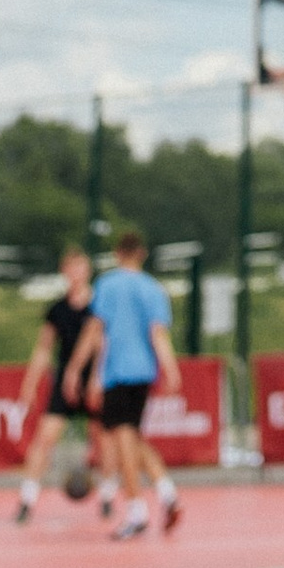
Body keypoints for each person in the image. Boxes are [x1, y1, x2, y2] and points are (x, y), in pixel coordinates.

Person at [78, 226, 185, 542]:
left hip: (118, 373)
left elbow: (96, 331)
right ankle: (167, 492)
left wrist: (77, 370)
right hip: (142, 373)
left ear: (116, 253)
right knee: (133, 438)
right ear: (142, 254)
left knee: (123, 443)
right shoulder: (153, 289)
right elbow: (158, 334)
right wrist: (171, 369)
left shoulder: (107, 285)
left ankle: (137, 512)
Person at [13, 242, 100, 522]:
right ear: (64, 271)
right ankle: (27, 498)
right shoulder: (58, 310)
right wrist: (29, 384)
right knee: (45, 437)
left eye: (81, 268)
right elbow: (43, 349)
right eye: (72, 268)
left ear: (87, 271)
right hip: (65, 379)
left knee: (106, 439)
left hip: (95, 377)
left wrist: (99, 377)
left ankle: (109, 494)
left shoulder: (100, 306)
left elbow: (107, 344)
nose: (77, 273)